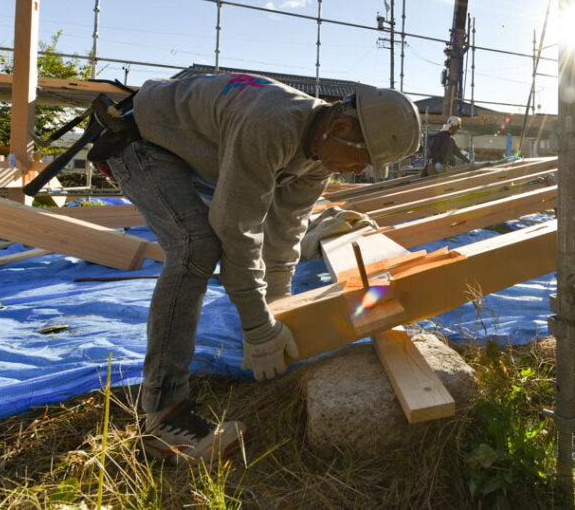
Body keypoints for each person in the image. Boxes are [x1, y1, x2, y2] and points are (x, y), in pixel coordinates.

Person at [92, 73, 421, 465]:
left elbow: (283, 236)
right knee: (196, 246)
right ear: (343, 126)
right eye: (361, 158)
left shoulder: (318, 154)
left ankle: (173, 403)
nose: (356, 170)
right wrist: (256, 328)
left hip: (189, 148)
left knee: (225, 239)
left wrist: (279, 314)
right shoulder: (271, 124)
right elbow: (237, 228)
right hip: (135, 138)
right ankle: (163, 415)